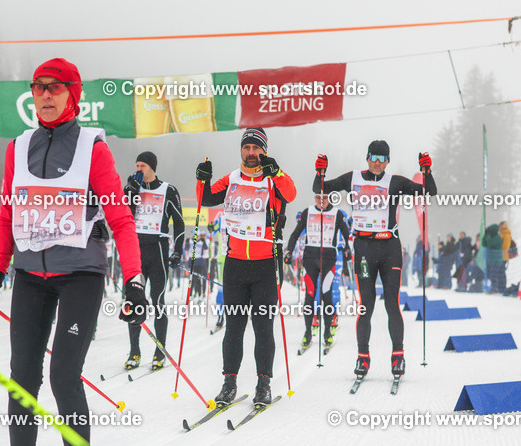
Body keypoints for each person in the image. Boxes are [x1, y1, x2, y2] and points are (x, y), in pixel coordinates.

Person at [0, 59, 147, 446]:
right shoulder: (18, 147)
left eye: (54, 87)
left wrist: (134, 279)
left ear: (73, 94)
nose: (45, 95)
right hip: (31, 276)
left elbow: (120, 218)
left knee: (64, 375)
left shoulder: (93, 148)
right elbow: (8, 215)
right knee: (22, 378)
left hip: (80, 275)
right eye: (38, 87)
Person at [313, 142, 436, 379]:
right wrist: (320, 172)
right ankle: (363, 357)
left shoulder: (395, 182)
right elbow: (320, 188)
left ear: (387, 160)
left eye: (382, 158)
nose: (377, 162)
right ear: (367, 157)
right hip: (364, 249)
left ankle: (398, 356)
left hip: (389, 248)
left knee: (392, 304)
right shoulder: (353, 178)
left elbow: (428, 192)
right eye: (373, 157)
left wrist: (426, 172)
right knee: (366, 306)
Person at [196, 127, 297, 407]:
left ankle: (263, 385)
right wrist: (201, 179)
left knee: (263, 328)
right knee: (234, 328)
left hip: (266, 266)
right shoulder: (231, 179)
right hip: (236, 265)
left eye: (256, 148)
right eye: (247, 148)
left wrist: (277, 172)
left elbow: (290, 194)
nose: (251, 153)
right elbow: (206, 198)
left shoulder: (273, 179)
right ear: (241, 150)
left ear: (264, 150)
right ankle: (229, 383)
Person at [123, 151, 184, 370]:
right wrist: (130, 194)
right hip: (135, 251)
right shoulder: (131, 189)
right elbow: (123, 217)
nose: (138, 169)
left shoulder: (168, 190)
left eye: (142, 166)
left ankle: (160, 350)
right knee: (133, 300)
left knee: (158, 300)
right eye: (137, 165)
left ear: (152, 168)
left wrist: (178, 251)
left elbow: (179, 222)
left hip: (158, 249)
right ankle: (134, 351)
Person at [285, 193, 351, 350]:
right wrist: (289, 251)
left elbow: (346, 235)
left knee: (326, 294)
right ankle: (308, 332)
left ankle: (327, 332)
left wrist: (348, 250)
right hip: (310, 258)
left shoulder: (337, 214)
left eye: (325, 197)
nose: (321, 201)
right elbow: (295, 234)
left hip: (328, 258)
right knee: (309, 295)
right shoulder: (308, 212)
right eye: (318, 198)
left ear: (330, 199)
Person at [483, 224, 503, 292]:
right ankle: (494, 287)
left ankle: (495, 287)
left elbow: (490, 243)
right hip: (490, 259)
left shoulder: (497, 237)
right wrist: (485, 235)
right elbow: (484, 243)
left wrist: (488, 235)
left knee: (494, 274)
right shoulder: (490, 237)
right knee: (491, 274)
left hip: (496, 260)